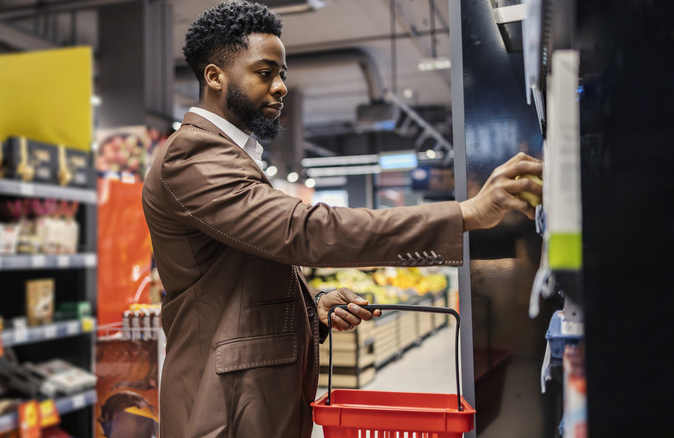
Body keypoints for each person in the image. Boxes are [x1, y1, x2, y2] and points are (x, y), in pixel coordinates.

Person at [141, 1, 542, 437]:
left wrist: (311, 313)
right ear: (214, 76)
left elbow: (233, 285)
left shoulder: (228, 155)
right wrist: (463, 214)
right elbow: (304, 231)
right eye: (264, 72)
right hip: (221, 407)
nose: (280, 87)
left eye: (283, 75)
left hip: (249, 398)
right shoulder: (192, 154)